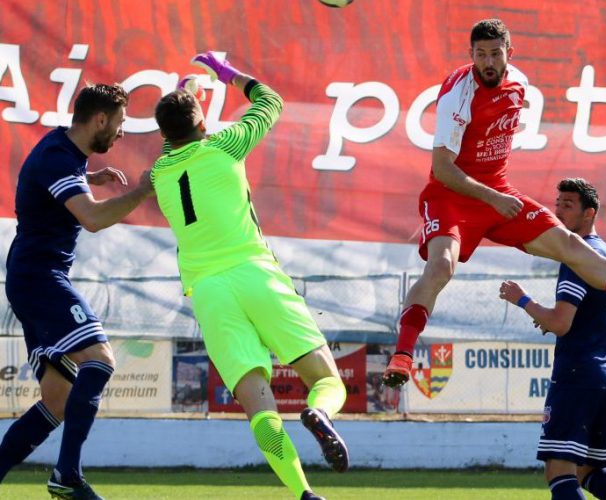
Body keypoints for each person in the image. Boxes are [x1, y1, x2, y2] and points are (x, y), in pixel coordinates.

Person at [382, 18, 606, 388]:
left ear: (509, 53)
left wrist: (495, 194)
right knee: (441, 266)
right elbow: (442, 169)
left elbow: (492, 146)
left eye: (495, 53)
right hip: (452, 195)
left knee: (571, 245)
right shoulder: (458, 92)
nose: (488, 61)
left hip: (497, 192)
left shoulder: (518, 84)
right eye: (480, 54)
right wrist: (492, 196)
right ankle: (403, 356)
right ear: (470, 55)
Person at [150, 52, 348, 500]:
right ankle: (320, 413)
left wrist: (188, 90)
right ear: (203, 124)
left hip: (209, 292)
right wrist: (227, 74)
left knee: (259, 407)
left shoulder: (161, 171)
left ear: (165, 134)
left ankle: (304, 492)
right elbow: (270, 101)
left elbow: (175, 133)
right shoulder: (224, 144)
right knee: (325, 380)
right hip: (255, 272)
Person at [0, 83, 154, 499]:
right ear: (100, 119)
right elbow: (92, 218)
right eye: (120, 123)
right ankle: (67, 475)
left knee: (57, 401)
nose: (121, 133)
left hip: (30, 275)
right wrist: (143, 190)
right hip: (40, 277)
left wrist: (89, 177)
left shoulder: (61, 153)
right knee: (100, 361)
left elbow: (46, 181)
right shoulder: (58, 157)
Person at [499, 178, 606, 500]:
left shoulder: (578, 260)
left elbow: (560, 324)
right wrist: (573, 322)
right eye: (557, 203)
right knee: (590, 470)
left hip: (578, 373)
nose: (558, 211)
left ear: (589, 213)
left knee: (560, 470)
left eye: (568, 205)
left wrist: (523, 300)